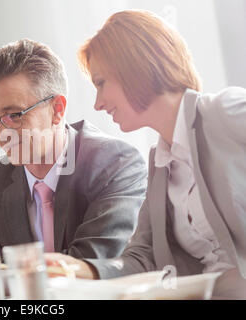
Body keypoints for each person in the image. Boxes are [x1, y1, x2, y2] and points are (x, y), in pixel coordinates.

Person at [46, 10, 246, 298]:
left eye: (101, 83)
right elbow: (143, 256)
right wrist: (79, 269)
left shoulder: (223, 113)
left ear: (134, 67)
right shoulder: (160, 164)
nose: (98, 103)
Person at [0, 39, 147, 266]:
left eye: (15, 115)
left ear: (57, 110)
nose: (1, 132)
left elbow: (87, 264)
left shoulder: (113, 164)